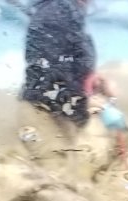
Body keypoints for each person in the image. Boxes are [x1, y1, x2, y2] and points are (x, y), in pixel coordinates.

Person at [21, 0, 97, 128]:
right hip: (49, 114)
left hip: (41, 107)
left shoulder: (57, 11)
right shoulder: (62, 10)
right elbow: (57, 71)